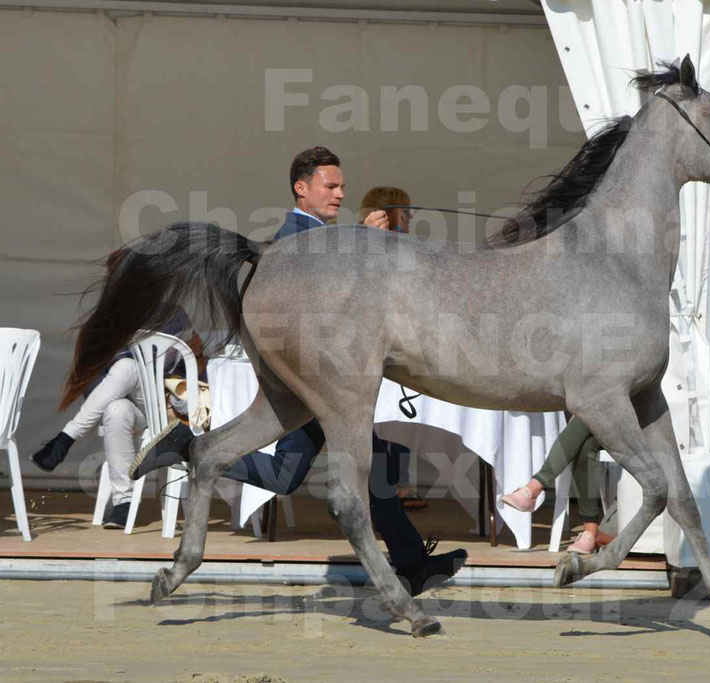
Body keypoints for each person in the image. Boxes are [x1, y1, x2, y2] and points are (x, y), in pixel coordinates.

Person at [133, 147, 466, 595]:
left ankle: (412, 564)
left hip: (329, 377)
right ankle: (188, 446)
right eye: (331, 187)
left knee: (365, 465)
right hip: (312, 378)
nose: (340, 194)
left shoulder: (320, 236)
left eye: (342, 187)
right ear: (301, 188)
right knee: (296, 474)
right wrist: (361, 240)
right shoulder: (293, 241)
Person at [31, 291, 203, 529]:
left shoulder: (173, 314)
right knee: (116, 410)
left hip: (172, 406)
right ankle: (124, 503)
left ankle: (64, 440)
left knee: (126, 367)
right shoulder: (113, 319)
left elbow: (194, 362)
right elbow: (93, 385)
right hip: (138, 408)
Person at [358, 186, 425, 511]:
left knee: (398, 418)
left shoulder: (402, 248)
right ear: (387, 215)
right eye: (405, 212)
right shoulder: (366, 249)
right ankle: (390, 490)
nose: (410, 218)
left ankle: (394, 489)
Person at [501, 416, 615, 554]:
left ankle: (533, 488)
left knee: (586, 417)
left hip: (632, 423)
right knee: (585, 442)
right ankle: (591, 532)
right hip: (602, 419)